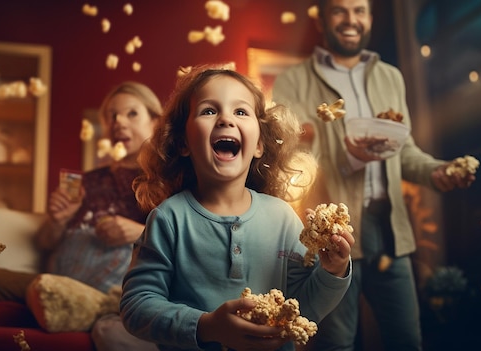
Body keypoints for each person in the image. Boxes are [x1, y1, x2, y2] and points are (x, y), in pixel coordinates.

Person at [271, 0, 477, 350]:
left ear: (368, 17)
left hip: (390, 229)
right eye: (339, 10)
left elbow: (404, 151)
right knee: (335, 344)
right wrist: (347, 158)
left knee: (407, 341)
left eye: (360, 10)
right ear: (321, 18)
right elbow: (292, 160)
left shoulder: (390, 77)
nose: (351, 19)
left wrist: (436, 171)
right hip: (332, 240)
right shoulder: (292, 82)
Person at [118, 63, 354, 351]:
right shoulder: (169, 219)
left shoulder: (283, 218)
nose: (225, 119)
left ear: (259, 145)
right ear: (183, 143)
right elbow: (136, 306)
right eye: (208, 110)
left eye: (240, 111)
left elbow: (304, 308)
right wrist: (207, 326)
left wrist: (333, 271)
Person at [0, 81, 162, 351]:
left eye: (131, 113)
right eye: (112, 115)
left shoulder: (163, 182)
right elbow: (46, 242)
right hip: (56, 284)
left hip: (112, 293)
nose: (119, 122)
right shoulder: (80, 181)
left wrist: (138, 232)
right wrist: (57, 220)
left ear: (155, 123)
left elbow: (186, 242)